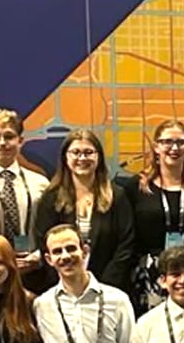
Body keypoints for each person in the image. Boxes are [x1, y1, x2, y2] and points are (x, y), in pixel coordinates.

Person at [121, 119, 184, 311]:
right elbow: (126, 234)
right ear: (156, 147)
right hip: (148, 276)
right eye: (167, 142)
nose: (174, 148)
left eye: (180, 142)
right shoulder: (137, 187)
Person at [34, 126, 134, 297]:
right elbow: (43, 243)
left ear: (99, 157)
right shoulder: (51, 198)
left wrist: (104, 286)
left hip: (109, 289)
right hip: (63, 289)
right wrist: (66, 283)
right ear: (65, 158)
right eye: (76, 152)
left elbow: (126, 244)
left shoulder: (117, 196)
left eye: (88, 152)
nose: (82, 158)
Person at [0, 108, 52, 287]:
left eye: (9, 137)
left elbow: (49, 226)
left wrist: (39, 255)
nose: (2, 143)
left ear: (20, 141)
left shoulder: (40, 182)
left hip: (33, 272)